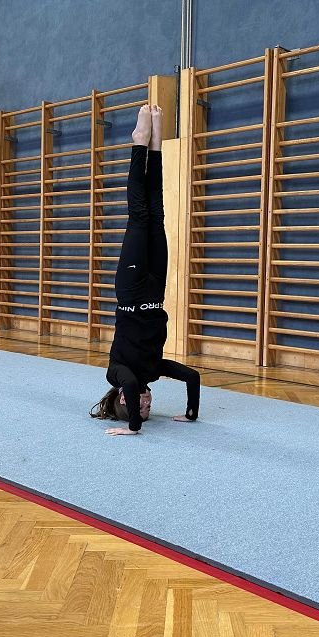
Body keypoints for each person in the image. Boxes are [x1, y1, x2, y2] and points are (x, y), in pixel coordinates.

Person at [90, 104, 200, 436]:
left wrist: (133, 428)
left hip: (131, 287)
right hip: (154, 289)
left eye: (141, 407)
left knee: (139, 215)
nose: (148, 403)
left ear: (124, 397)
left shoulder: (117, 373)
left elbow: (130, 383)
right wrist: (191, 414)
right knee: (157, 214)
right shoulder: (153, 370)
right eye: (149, 408)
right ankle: (155, 146)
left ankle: (139, 143)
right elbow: (192, 376)